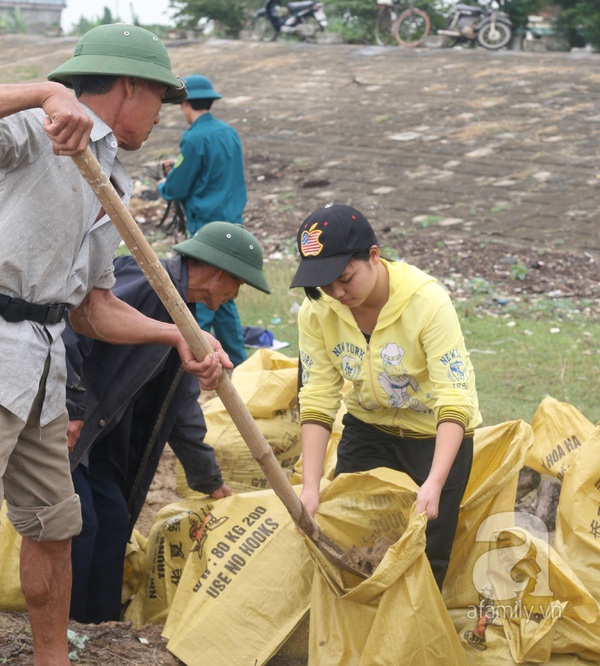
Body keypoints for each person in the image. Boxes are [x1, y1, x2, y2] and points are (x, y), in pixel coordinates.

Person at [0, 24, 229, 665]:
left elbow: (92, 307)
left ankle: (53, 658)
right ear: (130, 88)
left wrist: (176, 333)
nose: (162, 116)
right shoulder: (37, 128)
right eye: (160, 98)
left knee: (54, 526)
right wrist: (44, 92)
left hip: (44, 363)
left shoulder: (114, 181)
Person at [66, 222, 271, 623]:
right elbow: (75, 323)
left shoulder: (185, 318)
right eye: (238, 286)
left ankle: (102, 629)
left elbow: (182, 408)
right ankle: (65, 627)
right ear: (219, 274)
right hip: (74, 425)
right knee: (80, 526)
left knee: (112, 521)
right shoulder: (143, 283)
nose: (235, 296)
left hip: (104, 438)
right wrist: (70, 405)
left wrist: (209, 480)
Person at [290, 204, 481, 590]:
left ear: (374, 256)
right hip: (368, 429)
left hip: (434, 436)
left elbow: (455, 400)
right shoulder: (318, 311)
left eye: (344, 278)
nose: (336, 293)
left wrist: (435, 481)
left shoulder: (427, 303)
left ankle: (412, 642)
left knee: (427, 551)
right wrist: (310, 487)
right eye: (324, 283)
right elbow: (317, 397)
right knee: (350, 534)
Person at [158, 74, 249, 367]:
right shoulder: (229, 133)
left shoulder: (195, 137)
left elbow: (177, 187)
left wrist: (165, 182)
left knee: (203, 298)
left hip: (208, 232)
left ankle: (197, 367)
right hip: (234, 226)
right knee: (224, 298)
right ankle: (239, 364)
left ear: (185, 104)